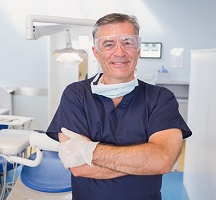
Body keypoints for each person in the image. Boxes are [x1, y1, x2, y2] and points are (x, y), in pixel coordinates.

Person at [46, 13, 192, 200]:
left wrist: (86, 150)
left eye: (128, 42)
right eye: (109, 44)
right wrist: (145, 161)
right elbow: (78, 166)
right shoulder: (75, 95)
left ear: (138, 49)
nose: (120, 52)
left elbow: (163, 161)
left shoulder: (160, 98)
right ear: (96, 52)